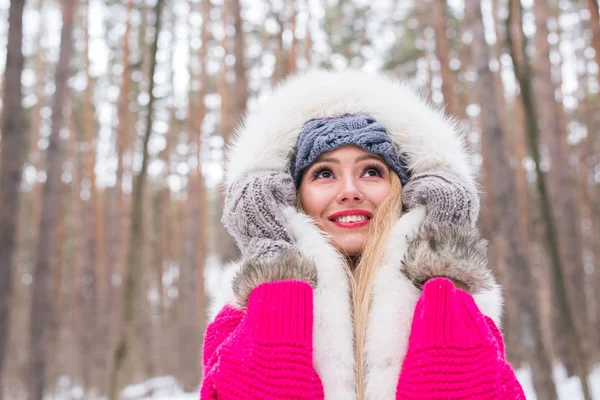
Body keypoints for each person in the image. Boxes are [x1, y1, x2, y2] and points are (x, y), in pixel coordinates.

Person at [200, 69, 525, 400]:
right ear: (291, 196)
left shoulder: (464, 306)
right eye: (324, 173)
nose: (350, 191)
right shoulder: (240, 314)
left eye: (371, 171)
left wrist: (440, 262)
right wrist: (277, 267)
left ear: (406, 190)